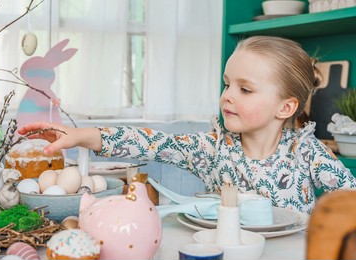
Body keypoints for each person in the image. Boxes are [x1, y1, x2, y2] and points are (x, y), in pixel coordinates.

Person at [18, 36, 356, 213]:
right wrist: (81, 135)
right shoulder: (212, 148)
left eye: (245, 89)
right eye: (226, 84)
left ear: (286, 107)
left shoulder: (306, 153)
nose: (227, 96)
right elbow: (150, 142)